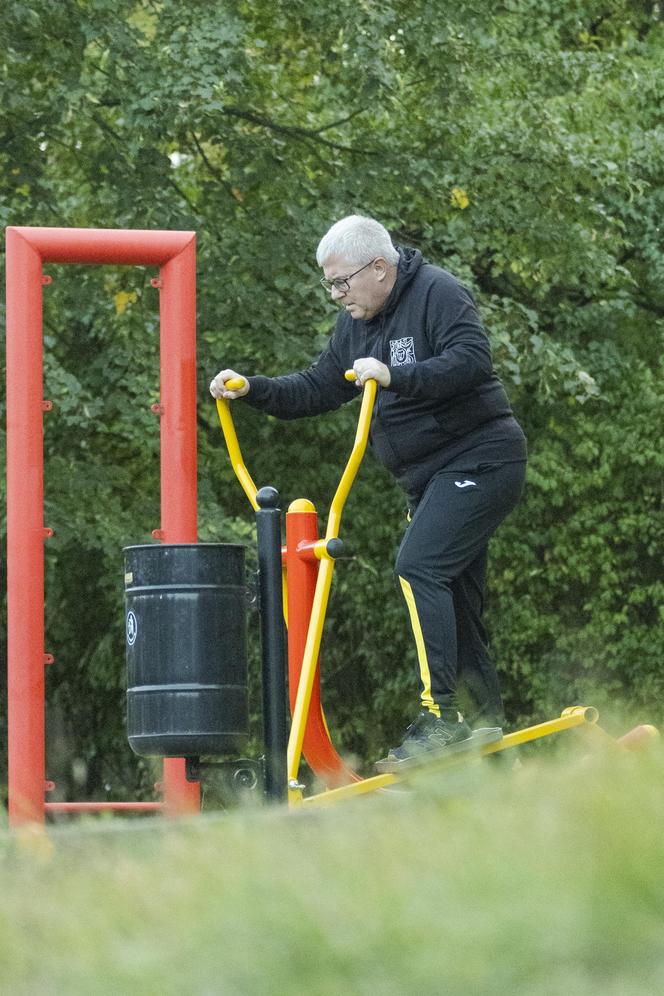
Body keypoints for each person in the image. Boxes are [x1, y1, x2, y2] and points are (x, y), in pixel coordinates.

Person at [210, 214, 527, 771]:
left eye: (342, 282)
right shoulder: (356, 324)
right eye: (329, 285)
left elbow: (472, 360)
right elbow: (317, 387)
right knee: (453, 590)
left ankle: (442, 718)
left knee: (418, 568)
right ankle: (482, 718)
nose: (337, 295)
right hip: (428, 479)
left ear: (379, 268)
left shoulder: (437, 293)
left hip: (482, 457)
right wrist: (252, 389)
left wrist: (395, 375)